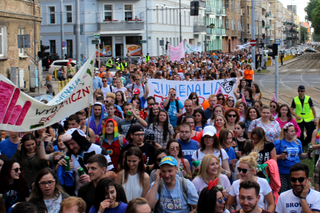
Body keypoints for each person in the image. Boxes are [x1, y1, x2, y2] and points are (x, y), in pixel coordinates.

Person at [56, 128, 116, 194]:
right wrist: (61, 166)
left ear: (79, 141)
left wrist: (93, 179)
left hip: (99, 193)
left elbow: (112, 174)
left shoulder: (98, 150)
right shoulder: (69, 155)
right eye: (68, 145)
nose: (71, 147)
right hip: (79, 195)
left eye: (73, 143)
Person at [274, 122, 308, 194]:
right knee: (284, 191)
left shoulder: (298, 142)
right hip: (283, 172)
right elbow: (272, 157)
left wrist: (307, 155)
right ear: (285, 132)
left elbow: (300, 155)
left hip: (296, 171)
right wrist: (280, 156)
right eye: (291, 131)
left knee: (296, 191)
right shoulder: (278, 142)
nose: (293, 133)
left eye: (294, 131)